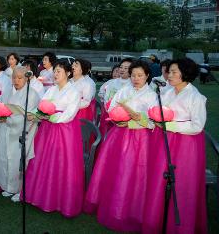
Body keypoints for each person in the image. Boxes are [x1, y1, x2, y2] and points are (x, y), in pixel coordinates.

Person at [84, 60, 156, 232]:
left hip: (140, 140)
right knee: (115, 170)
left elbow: (154, 122)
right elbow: (112, 107)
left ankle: (131, 211)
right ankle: (111, 205)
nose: (136, 79)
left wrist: (137, 119)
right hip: (119, 135)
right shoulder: (125, 90)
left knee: (133, 173)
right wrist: (118, 118)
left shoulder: (152, 95)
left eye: (140, 75)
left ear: (147, 76)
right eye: (133, 75)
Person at [142, 58, 207, 234]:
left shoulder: (196, 97)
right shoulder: (166, 92)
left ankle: (180, 226)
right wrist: (151, 120)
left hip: (186, 145)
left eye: (173, 72)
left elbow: (197, 126)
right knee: (158, 180)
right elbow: (156, 111)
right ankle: (156, 220)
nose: (169, 75)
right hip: (163, 141)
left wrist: (171, 126)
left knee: (182, 183)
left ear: (185, 74)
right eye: (169, 71)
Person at [24, 60, 83, 217]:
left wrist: (51, 117)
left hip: (64, 131)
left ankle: (60, 201)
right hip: (48, 129)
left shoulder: (74, 92)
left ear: (68, 73)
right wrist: (37, 114)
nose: (55, 74)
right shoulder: (51, 90)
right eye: (55, 71)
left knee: (62, 163)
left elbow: (69, 114)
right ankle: (39, 195)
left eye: (59, 71)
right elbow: (42, 105)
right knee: (42, 160)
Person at [0, 66, 40, 202]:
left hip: (20, 133)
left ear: (27, 78)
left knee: (16, 160)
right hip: (4, 128)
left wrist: (8, 118)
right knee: (3, 156)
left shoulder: (32, 94)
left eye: (19, 78)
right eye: (14, 77)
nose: (16, 80)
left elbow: (29, 115)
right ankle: (7, 186)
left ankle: (20, 190)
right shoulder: (7, 90)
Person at [99, 58, 133, 139]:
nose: (122, 70)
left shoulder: (133, 84)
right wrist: (111, 111)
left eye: (126, 68)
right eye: (121, 67)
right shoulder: (112, 82)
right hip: (109, 114)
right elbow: (106, 97)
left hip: (125, 119)